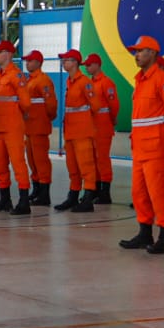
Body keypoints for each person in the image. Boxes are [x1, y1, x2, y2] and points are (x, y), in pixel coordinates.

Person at [119, 36, 164, 254]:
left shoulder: (162, 80)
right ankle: (144, 232)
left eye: (140, 51)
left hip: (155, 147)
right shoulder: (140, 80)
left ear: (153, 53)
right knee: (139, 193)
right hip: (139, 148)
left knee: (159, 193)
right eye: (135, 51)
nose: (136, 55)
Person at [0, 40, 33, 214]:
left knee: (18, 163)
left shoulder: (16, 75)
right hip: (0, 126)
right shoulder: (0, 75)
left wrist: (17, 115)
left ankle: (24, 201)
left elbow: (26, 103)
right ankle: (4, 199)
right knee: (0, 164)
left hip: (12, 126)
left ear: (7, 54)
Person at [54, 50, 99, 214]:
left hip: (82, 132)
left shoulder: (84, 82)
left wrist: (85, 122)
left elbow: (96, 105)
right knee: (72, 167)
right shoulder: (70, 81)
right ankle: (73, 196)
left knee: (86, 166)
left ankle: (88, 198)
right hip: (71, 132)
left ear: (74, 62)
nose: (63, 63)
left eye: (66, 60)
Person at [21, 49, 58, 206]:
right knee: (32, 160)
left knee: (41, 161)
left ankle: (44, 194)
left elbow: (51, 105)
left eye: (30, 61)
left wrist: (46, 118)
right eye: (27, 61)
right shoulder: (29, 80)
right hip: (30, 128)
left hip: (39, 127)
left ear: (38, 62)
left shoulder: (43, 81)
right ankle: (36, 189)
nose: (27, 63)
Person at [84, 53, 119, 203]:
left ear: (97, 65)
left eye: (89, 65)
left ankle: (105, 192)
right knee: (93, 159)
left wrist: (112, 119)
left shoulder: (106, 83)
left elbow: (114, 105)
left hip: (103, 127)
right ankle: (96, 189)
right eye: (86, 65)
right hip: (92, 127)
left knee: (102, 159)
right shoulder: (89, 83)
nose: (87, 67)